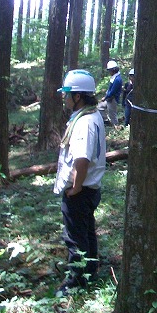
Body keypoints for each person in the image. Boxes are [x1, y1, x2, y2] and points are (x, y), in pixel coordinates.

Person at [54, 70, 107, 294]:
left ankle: (76, 282)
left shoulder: (85, 122)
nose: (64, 98)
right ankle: (90, 271)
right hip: (87, 188)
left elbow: (82, 158)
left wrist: (75, 187)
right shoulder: (90, 116)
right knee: (86, 232)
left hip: (81, 189)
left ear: (78, 97)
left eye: (67, 94)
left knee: (75, 237)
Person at [98, 60, 122, 126]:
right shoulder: (114, 78)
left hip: (112, 99)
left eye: (109, 70)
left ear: (113, 70)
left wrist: (105, 97)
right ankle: (106, 120)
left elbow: (112, 92)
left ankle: (116, 127)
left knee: (112, 115)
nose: (109, 72)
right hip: (109, 98)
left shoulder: (117, 79)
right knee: (100, 107)